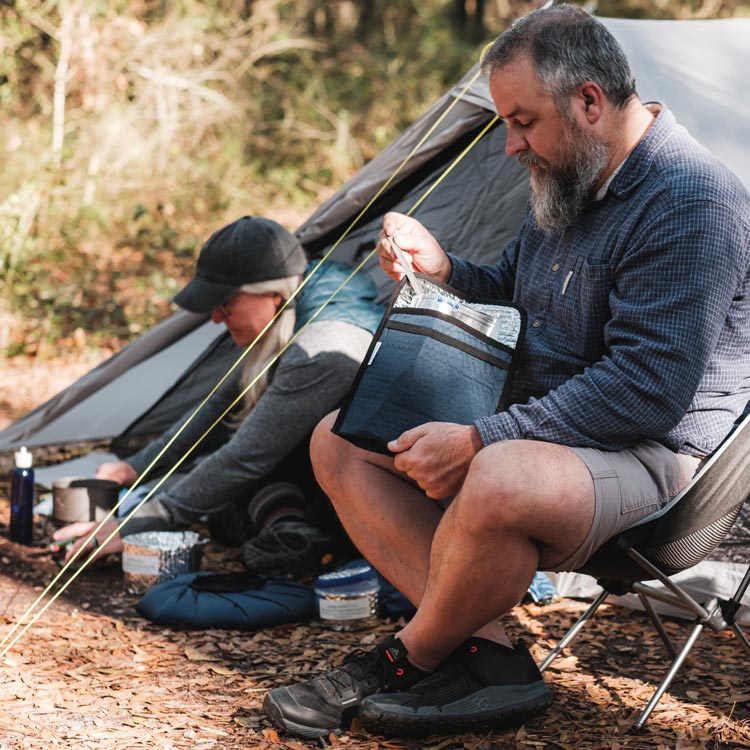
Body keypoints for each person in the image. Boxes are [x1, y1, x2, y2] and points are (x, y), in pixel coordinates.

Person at [263, 4, 750, 739]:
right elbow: (518, 301)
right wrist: (446, 270)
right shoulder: (573, 177)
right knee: (339, 439)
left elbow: (647, 390)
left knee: (497, 474)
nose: (510, 145)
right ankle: (488, 658)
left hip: (660, 463)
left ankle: (405, 659)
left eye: (523, 121)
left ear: (588, 101)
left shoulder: (692, 204)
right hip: (550, 437)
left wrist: (484, 437)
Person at [54, 215, 384, 577]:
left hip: (380, 488)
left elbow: (247, 457)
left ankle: (308, 534)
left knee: (228, 486)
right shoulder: (296, 297)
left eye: (224, 304)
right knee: (215, 480)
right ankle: (290, 529)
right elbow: (218, 403)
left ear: (273, 294)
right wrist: (137, 465)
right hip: (326, 467)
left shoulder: (324, 346)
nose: (215, 318)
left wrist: (140, 521)